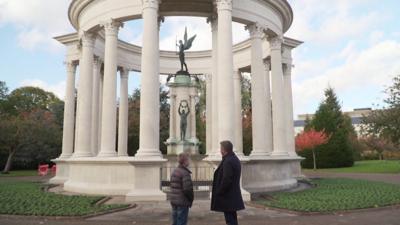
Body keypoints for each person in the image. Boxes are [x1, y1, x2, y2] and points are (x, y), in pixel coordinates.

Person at [211, 140, 245, 225]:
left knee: (230, 220)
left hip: (228, 196)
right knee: (232, 218)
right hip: (232, 195)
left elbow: (227, 179)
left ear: (224, 150)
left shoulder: (228, 161)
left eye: (221, 148)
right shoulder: (233, 159)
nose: (220, 150)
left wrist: (220, 191)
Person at [169, 152, 194, 225]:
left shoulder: (175, 171)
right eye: (188, 160)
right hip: (182, 201)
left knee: (175, 221)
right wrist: (191, 198)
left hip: (174, 200)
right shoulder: (185, 173)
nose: (189, 162)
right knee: (181, 221)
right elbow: (187, 189)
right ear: (185, 161)